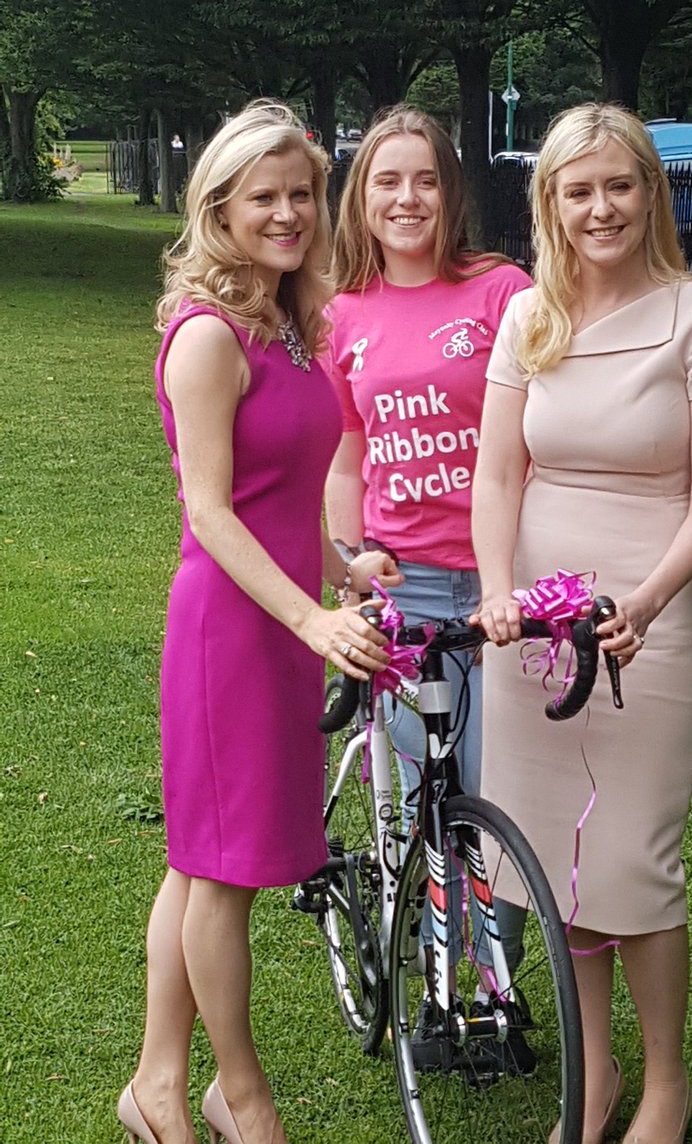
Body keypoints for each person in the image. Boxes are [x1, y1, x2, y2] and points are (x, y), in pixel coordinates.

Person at [471, 103, 692, 1144]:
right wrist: (498, 587)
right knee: (554, 862)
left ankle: (666, 1084)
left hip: (649, 619)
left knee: (635, 856)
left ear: (651, 194)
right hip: (535, 631)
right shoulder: (529, 318)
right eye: (578, 190)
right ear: (553, 202)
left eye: (619, 186)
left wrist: (647, 600)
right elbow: (500, 471)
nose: (601, 208)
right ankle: (591, 1081)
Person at [117, 100, 400, 1144]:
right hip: (231, 633)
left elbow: (284, 496)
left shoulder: (287, 323)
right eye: (264, 197)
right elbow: (210, 511)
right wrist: (313, 620)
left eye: (302, 194)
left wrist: (341, 563)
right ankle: (238, 1098)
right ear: (222, 207)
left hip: (279, 620)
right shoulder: (208, 336)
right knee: (224, 876)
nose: (287, 213)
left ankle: (155, 1086)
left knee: (198, 861)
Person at [321, 104, 533, 1066]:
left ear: (453, 192)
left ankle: (500, 988)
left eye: (426, 179)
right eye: (385, 180)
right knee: (428, 800)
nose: (406, 198)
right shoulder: (339, 315)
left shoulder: (502, 293)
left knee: (501, 800)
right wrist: (347, 553)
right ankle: (448, 988)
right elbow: (344, 455)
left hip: (499, 585)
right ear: (360, 198)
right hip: (405, 592)